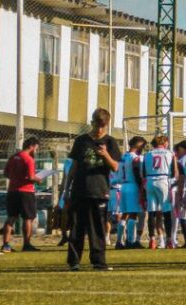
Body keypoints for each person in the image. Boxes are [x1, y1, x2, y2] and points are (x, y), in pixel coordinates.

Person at [67, 108, 122, 270]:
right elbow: (74, 166)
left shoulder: (110, 142)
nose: (99, 130)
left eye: (102, 126)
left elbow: (115, 167)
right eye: (97, 126)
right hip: (79, 189)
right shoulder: (81, 141)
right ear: (92, 123)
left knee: (97, 228)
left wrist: (106, 155)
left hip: (99, 190)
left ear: (107, 125)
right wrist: (66, 188)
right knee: (76, 228)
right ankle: (74, 262)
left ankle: (98, 262)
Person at [3, 135, 43, 252]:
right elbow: (31, 177)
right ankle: (26, 245)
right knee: (28, 218)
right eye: (36, 148)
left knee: (11, 217)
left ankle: (5, 245)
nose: (36, 151)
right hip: (26, 192)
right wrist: (38, 179)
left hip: (12, 191)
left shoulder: (13, 157)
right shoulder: (28, 159)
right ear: (31, 146)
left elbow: (5, 173)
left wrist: (16, 178)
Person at [143, 135, 175, 250]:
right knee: (166, 211)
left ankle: (152, 240)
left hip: (150, 180)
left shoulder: (147, 154)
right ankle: (169, 240)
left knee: (151, 212)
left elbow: (143, 172)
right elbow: (174, 171)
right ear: (163, 142)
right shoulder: (169, 153)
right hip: (163, 180)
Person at [116, 136, 146, 249]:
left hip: (123, 186)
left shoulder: (123, 157)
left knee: (124, 214)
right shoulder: (135, 158)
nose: (143, 148)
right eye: (142, 146)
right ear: (138, 145)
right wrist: (141, 187)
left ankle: (119, 241)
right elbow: (137, 173)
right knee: (133, 214)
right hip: (132, 186)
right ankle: (130, 240)